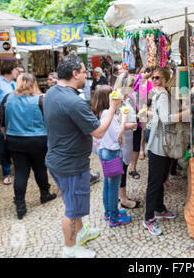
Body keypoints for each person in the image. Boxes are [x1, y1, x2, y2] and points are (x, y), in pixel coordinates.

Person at [43, 54, 122, 258]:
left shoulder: (51, 92)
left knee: (73, 203)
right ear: (74, 73)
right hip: (71, 164)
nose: (88, 74)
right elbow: (98, 132)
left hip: (57, 159)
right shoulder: (73, 101)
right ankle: (70, 249)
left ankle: (82, 232)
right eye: (84, 71)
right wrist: (113, 108)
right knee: (72, 209)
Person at [0, 73, 57, 219]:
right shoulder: (40, 100)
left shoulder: (7, 98)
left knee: (21, 172)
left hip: (15, 140)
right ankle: (45, 194)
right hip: (38, 140)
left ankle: (20, 204)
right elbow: (49, 121)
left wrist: (6, 135)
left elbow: (2, 120)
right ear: (34, 83)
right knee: (40, 168)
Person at [143, 67, 190, 236]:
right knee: (155, 182)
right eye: (153, 78)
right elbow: (166, 119)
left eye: (156, 78)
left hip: (160, 143)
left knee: (160, 179)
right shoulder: (162, 94)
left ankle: (159, 209)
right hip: (158, 145)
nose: (154, 81)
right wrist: (185, 113)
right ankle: (148, 218)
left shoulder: (162, 94)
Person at [91, 85, 132, 227]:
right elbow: (117, 135)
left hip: (104, 151)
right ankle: (114, 217)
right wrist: (123, 119)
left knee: (107, 184)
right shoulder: (108, 113)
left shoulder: (102, 113)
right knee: (113, 187)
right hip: (112, 152)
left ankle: (109, 211)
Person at [113, 73, 141, 209]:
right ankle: (123, 198)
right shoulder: (116, 100)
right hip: (121, 140)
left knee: (123, 168)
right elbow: (116, 124)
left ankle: (121, 195)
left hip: (128, 138)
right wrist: (130, 125)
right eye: (130, 86)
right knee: (121, 169)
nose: (132, 88)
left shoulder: (128, 99)